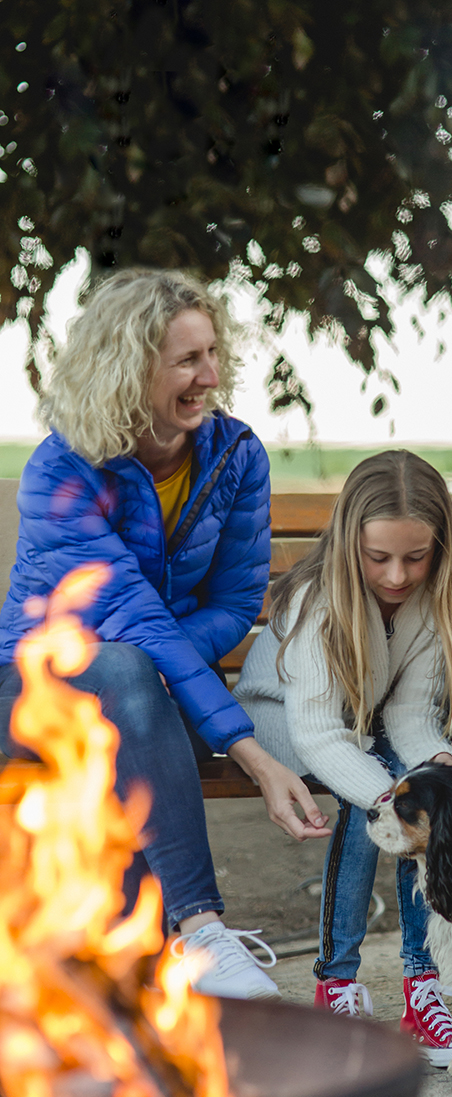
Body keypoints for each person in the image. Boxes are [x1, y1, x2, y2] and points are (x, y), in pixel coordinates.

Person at [0, 267, 331, 1002]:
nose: (211, 376)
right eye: (188, 360)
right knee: (124, 671)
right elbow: (133, 625)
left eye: (212, 354)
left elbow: (238, 597)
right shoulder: (64, 469)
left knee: (135, 684)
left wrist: (163, 663)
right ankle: (201, 928)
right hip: (33, 690)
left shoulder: (234, 456)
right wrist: (252, 753)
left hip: (144, 693)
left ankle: (136, 976)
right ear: (129, 363)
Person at [234, 450, 452, 1064]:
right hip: (283, 725)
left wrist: (442, 768)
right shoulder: (320, 601)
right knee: (379, 799)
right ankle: (337, 983)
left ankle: (424, 989)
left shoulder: (438, 599)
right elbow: (318, 734)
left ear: (438, 548)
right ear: (347, 544)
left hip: (366, 725)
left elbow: (411, 715)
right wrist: (390, 795)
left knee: (420, 800)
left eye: (416, 557)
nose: (396, 575)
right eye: (378, 556)